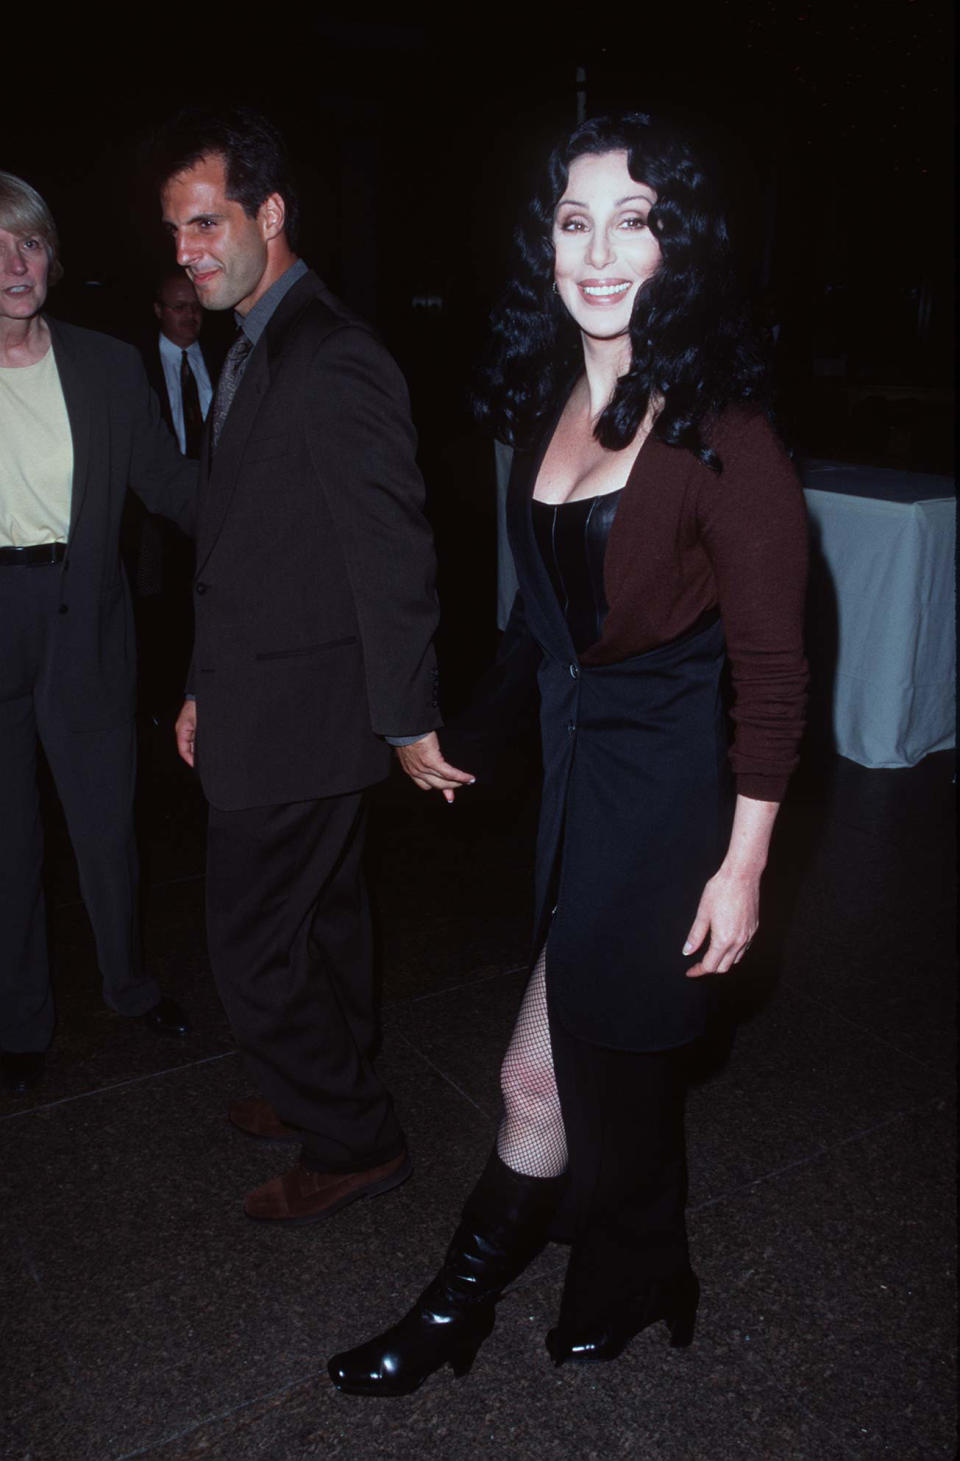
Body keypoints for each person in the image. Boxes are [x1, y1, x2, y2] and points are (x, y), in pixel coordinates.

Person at [327, 112, 808, 1395]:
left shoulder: (727, 435)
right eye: (573, 220)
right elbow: (539, 631)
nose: (599, 252)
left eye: (634, 219)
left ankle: (450, 1314)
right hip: (575, 797)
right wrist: (457, 740)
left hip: (664, 817)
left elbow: (773, 670)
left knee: (539, 1076)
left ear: (679, 246)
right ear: (543, 243)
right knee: (620, 1070)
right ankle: (649, 1269)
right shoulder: (552, 407)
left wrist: (745, 863)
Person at [154, 108, 455, 1223]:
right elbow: (245, 548)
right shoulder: (264, 339)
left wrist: (408, 718)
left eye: (205, 224)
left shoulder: (332, 352)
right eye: (175, 234)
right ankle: (322, 1080)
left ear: (268, 215)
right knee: (324, 920)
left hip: (305, 714)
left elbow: (394, 551)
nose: (185, 253)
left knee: (251, 948)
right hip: (269, 698)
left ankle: (355, 1138)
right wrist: (199, 685)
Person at [0, 173, 197, 1095]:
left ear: (53, 257)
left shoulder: (108, 365)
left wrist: (281, 502)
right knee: (7, 838)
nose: (14, 264)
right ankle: (18, 1017)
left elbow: (174, 486)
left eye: (29, 243)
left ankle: (127, 984)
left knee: (105, 823)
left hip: (85, 616)